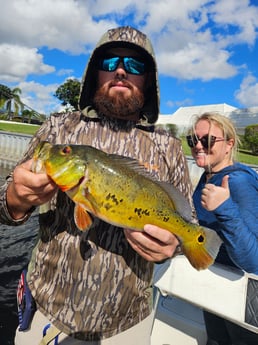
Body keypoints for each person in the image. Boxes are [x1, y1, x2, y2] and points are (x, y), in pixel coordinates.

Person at [0, 26, 195, 344]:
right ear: (94, 71)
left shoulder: (168, 146)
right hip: (45, 314)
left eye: (135, 65)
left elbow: (190, 227)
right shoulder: (58, 128)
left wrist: (170, 248)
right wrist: (14, 197)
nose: (121, 70)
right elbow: (4, 208)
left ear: (149, 78)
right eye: (110, 62)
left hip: (127, 325)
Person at [186, 112, 258, 345]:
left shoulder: (238, 182)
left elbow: (254, 261)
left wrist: (225, 208)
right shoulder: (209, 175)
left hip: (241, 298)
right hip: (216, 286)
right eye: (192, 140)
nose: (198, 146)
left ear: (229, 144)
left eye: (207, 140)